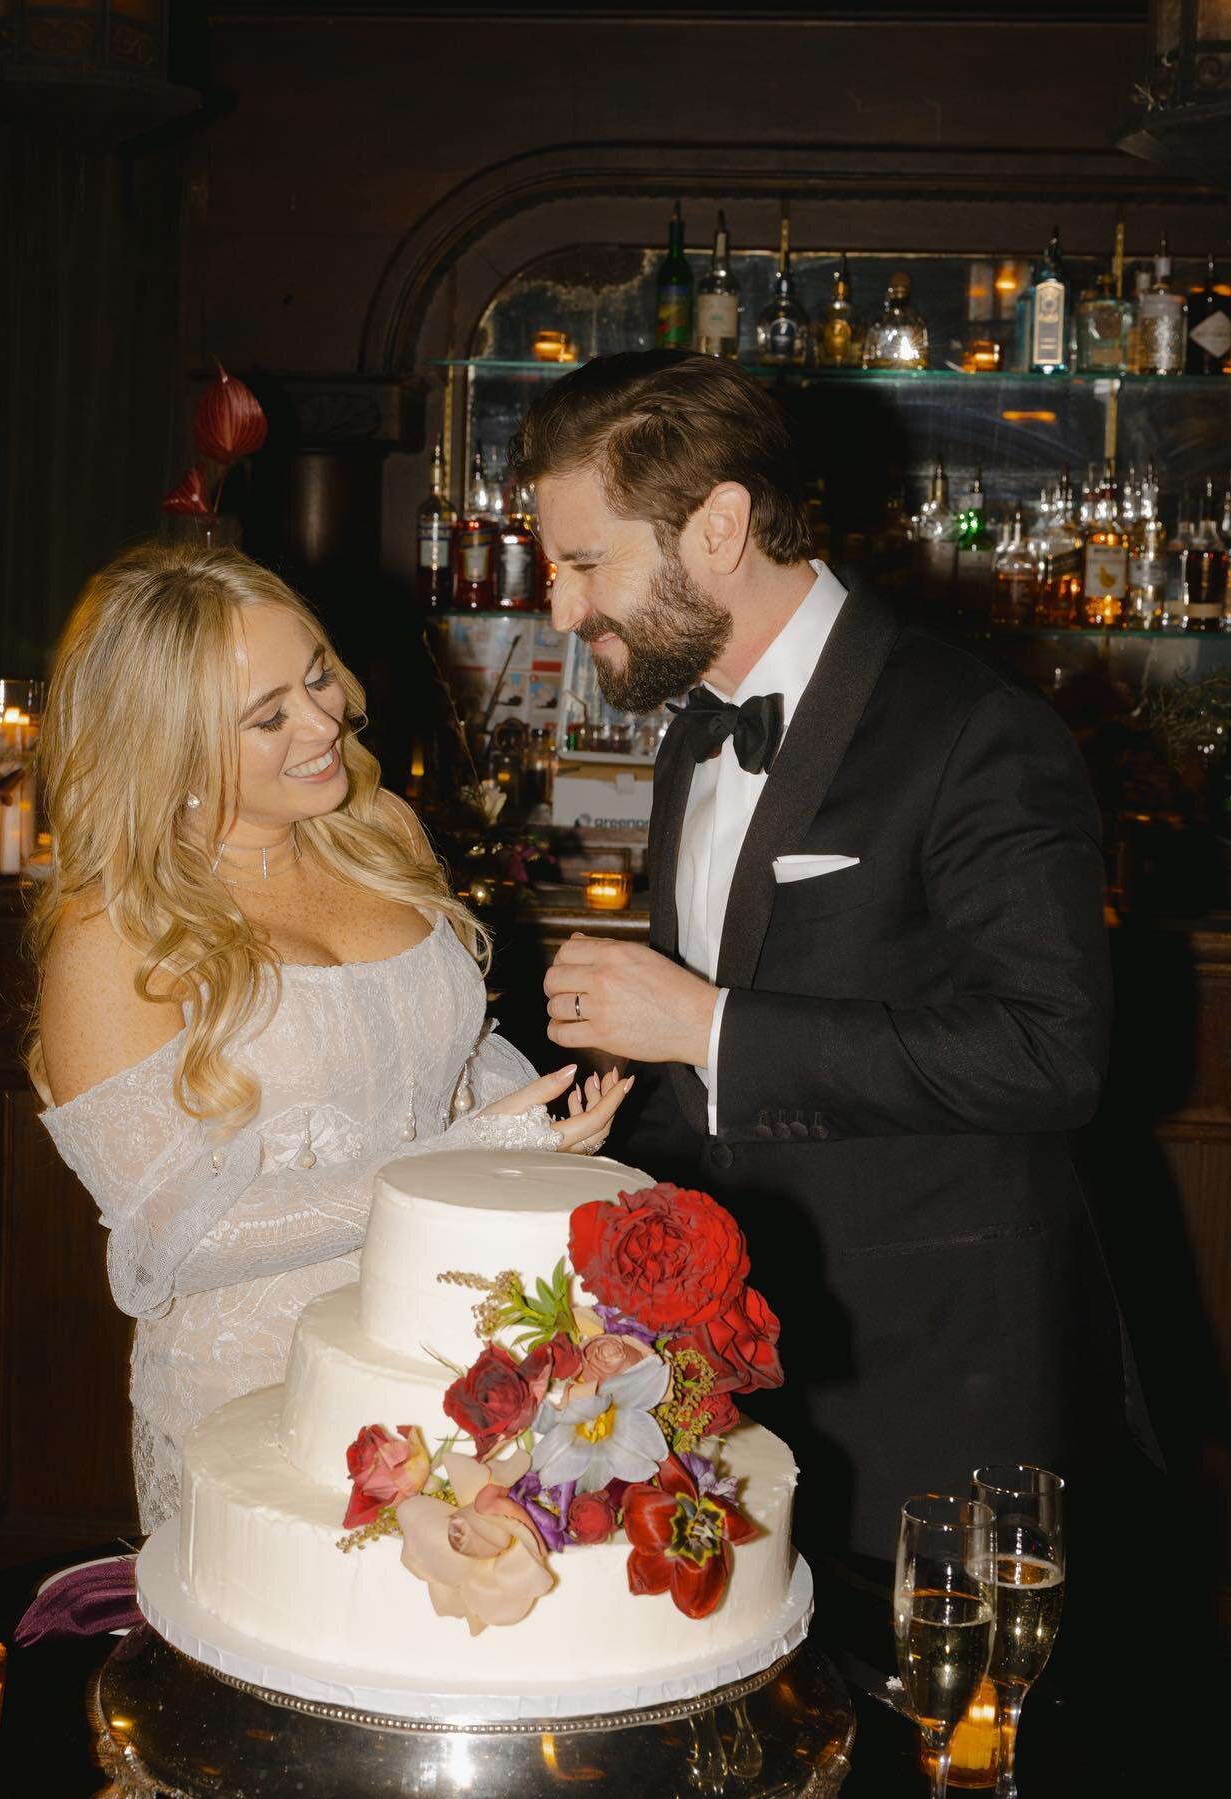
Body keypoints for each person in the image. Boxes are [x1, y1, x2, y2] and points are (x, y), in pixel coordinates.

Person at [514, 351, 1143, 1632]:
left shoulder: (975, 727)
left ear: (722, 525)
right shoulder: (696, 723)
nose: (561, 611)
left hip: (938, 1380)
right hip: (733, 1369)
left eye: (585, 564)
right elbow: (708, 1082)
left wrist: (704, 1023)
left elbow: (1052, 1052)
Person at [28, 542, 631, 1532]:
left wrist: (532, 1132)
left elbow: (438, 1059)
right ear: (162, 744)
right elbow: (177, 1236)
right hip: (267, 1404)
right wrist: (466, 1157)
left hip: (458, 1347)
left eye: (317, 675)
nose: (324, 721)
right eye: (267, 715)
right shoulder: (112, 934)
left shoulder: (377, 825)